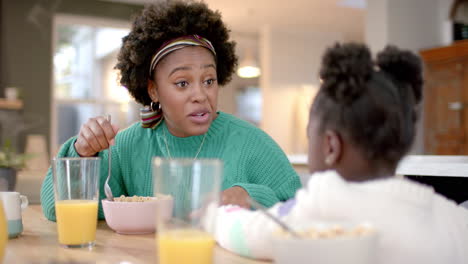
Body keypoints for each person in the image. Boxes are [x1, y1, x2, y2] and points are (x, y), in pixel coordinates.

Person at [40, 0, 301, 221]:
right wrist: (81, 155)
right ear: (153, 90)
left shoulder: (251, 143)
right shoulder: (126, 146)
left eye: (208, 80)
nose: (200, 95)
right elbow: (57, 210)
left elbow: (300, 209)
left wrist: (252, 197)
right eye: (182, 83)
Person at [209, 43, 468, 263]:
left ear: (331, 146)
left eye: (311, 135)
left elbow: (246, 232)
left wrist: (216, 214)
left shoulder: (322, 204)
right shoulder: (454, 218)